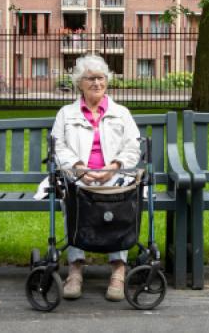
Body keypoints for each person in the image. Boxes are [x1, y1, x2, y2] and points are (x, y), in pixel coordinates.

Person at [51, 54, 140, 302]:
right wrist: (79, 168)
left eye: (101, 78)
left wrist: (113, 167)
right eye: (90, 78)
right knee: (75, 198)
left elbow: (133, 147)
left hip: (115, 176)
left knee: (119, 202)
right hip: (79, 177)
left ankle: (118, 268)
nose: (97, 83)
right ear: (80, 82)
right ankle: (76, 267)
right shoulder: (66, 113)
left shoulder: (121, 113)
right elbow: (58, 147)